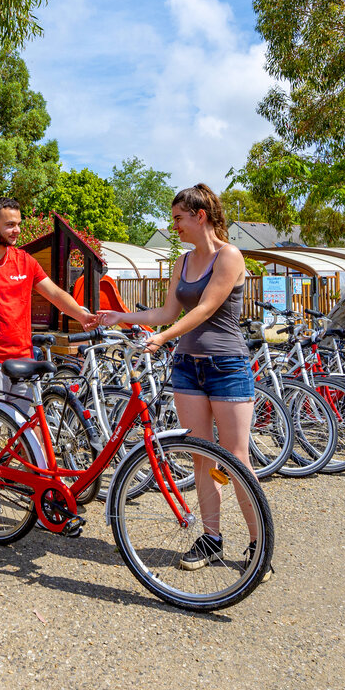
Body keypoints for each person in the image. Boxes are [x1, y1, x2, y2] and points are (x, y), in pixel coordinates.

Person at [97, 183, 266, 575]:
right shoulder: (183, 262)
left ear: (200, 216)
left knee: (237, 458)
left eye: (178, 218)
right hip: (188, 366)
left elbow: (206, 309)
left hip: (227, 365)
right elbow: (168, 311)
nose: (174, 226)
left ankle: (259, 544)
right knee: (200, 455)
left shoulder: (230, 256)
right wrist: (123, 317)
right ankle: (211, 539)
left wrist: (162, 338)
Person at [0, 198, 97, 522]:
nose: (17, 230)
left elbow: (55, 293)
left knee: (30, 430)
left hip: (21, 359)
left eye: (18, 223)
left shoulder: (24, 261)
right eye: (10, 224)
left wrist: (82, 315)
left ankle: (38, 490)